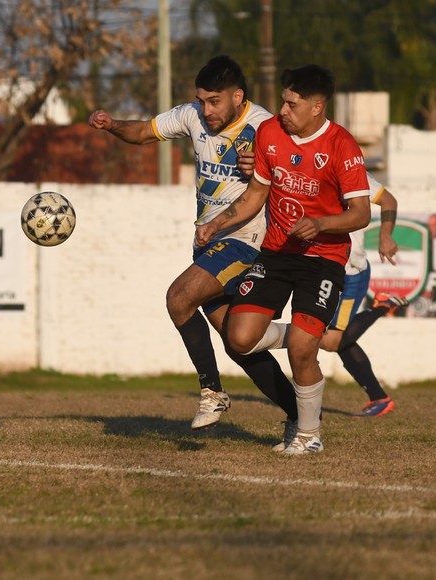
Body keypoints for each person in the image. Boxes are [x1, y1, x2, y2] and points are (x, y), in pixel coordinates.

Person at [89, 55, 298, 430]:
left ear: (238, 96)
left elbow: (296, 176)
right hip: (208, 240)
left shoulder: (265, 126)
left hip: (245, 240)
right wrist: (111, 124)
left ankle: (212, 393)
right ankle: (301, 414)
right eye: (202, 100)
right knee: (240, 344)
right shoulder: (192, 116)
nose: (206, 109)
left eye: (214, 101)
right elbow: (142, 133)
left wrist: (266, 168)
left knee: (179, 297)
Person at [196, 64, 372, 455]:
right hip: (276, 253)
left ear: (317, 107)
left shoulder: (341, 145)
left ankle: (308, 436)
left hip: (323, 258)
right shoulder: (270, 133)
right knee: (239, 339)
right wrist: (218, 224)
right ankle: (299, 336)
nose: (283, 109)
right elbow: (256, 195)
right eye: (283, 100)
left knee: (301, 349)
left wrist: (322, 224)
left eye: (292, 104)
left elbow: (361, 213)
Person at [248, 175, 407, 417]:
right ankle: (379, 398)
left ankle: (382, 305)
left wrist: (385, 235)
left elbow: (388, 200)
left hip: (350, 274)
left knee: (332, 340)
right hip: (315, 268)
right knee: (341, 342)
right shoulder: (293, 172)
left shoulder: (352, 173)